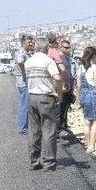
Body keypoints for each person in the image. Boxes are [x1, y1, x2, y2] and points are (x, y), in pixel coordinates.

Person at [25, 37, 63, 171]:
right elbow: (57, 77)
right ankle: (49, 162)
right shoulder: (48, 61)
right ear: (47, 49)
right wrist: (59, 94)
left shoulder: (28, 62)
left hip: (32, 97)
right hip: (46, 97)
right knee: (49, 130)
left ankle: (34, 161)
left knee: (34, 131)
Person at [77, 46, 96, 152]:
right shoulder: (95, 67)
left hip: (84, 94)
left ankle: (88, 145)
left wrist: (79, 96)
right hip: (93, 95)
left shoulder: (80, 67)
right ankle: (92, 145)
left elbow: (79, 85)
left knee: (87, 121)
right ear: (94, 56)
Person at [13, 35, 34, 134]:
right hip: (23, 82)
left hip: (25, 81)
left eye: (31, 41)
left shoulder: (27, 53)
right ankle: (22, 128)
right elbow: (20, 61)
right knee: (24, 105)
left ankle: (25, 126)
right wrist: (25, 73)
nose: (31, 43)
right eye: (29, 41)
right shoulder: (21, 52)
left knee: (26, 104)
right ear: (23, 43)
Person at [57, 39, 75, 133]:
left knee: (65, 107)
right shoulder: (59, 58)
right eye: (66, 48)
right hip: (62, 87)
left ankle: (64, 125)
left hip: (69, 86)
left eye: (69, 48)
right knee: (61, 108)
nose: (68, 50)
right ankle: (60, 128)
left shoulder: (68, 58)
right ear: (61, 47)